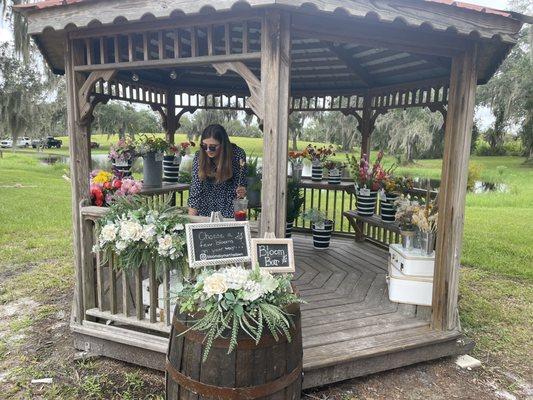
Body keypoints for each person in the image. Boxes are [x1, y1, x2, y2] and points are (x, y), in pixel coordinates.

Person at [188, 124, 247, 218]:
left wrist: (242, 191)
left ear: (223, 145)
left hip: (229, 208)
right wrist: (191, 221)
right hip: (205, 209)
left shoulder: (237, 154)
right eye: (204, 146)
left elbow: (240, 185)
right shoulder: (199, 156)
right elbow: (195, 189)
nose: (207, 150)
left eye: (212, 147)